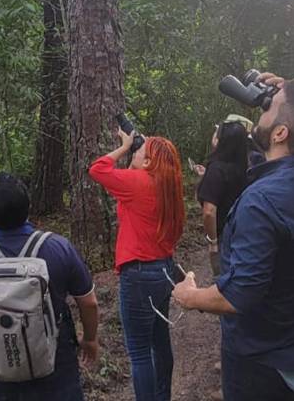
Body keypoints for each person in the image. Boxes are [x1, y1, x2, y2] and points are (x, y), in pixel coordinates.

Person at [172, 73, 294, 401]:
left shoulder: (262, 201)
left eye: (270, 109)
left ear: (281, 132)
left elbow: (237, 295)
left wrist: (189, 296)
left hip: (262, 358)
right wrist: (293, 98)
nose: (261, 111)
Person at [0, 173, 100, 401]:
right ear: (28, 206)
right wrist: (90, 340)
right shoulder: (58, 248)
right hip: (55, 366)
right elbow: (89, 302)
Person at [89, 130, 185, 401]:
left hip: (140, 273)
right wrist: (137, 148)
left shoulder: (138, 182)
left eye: (141, 151)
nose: (135, 151)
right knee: (159, 340)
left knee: (139, 352)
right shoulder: (170, 187)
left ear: (147, 163)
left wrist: (124, 146)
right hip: (163, 270)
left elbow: (97, 169)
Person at [197, 118, 250, 276]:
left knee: (222, 281)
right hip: (242, 232)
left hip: (223, 237)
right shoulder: (245, 167)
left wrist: (212, 242)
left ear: (221, 140)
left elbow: (209, 211)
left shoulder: (217, 169)